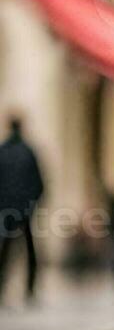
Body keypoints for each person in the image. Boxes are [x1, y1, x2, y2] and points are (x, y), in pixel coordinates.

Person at [0, 116, 44, 303]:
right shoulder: (28, 152)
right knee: (30, 250)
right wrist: (31, 204)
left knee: (5, 250)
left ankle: (1, 287)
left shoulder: (2, 152)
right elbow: (39, 184)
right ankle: (30, 289)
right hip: (25, 210)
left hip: (7, 210)